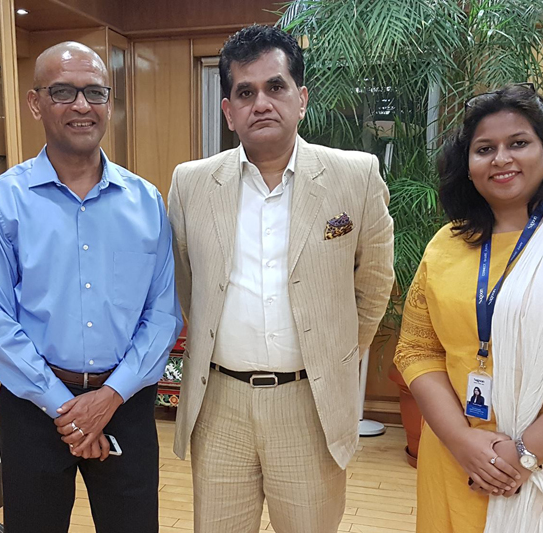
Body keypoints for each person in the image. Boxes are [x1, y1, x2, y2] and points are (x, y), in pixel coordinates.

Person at [167, 25, 394, 533]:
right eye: (245, 92)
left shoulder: (354, 176)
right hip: (220, 403)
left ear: (301, 98)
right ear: (228, 111)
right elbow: (188, 284)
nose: (261, 103)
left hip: (308, 403)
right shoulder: (191, 183)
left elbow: (374, 282)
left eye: (276, 87)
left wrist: (334, 354)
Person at [0, 42, 182, 533]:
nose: (82, 106)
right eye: (63, 92)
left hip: (124, 404)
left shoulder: (146, 201)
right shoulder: (0, 203)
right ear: (35, 102)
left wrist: (107, 398)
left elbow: (162, 314)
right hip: (32, 409)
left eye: (94, 92)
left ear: (110, 102)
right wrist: (65, 409)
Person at [394, 83, 543, 533]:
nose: (501, 159)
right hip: (459, 461)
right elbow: (416, 349)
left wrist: (521, 455)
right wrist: (462, 442)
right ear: (469, 165)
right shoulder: (446, 244)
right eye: (484, 148)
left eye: (518, 143)